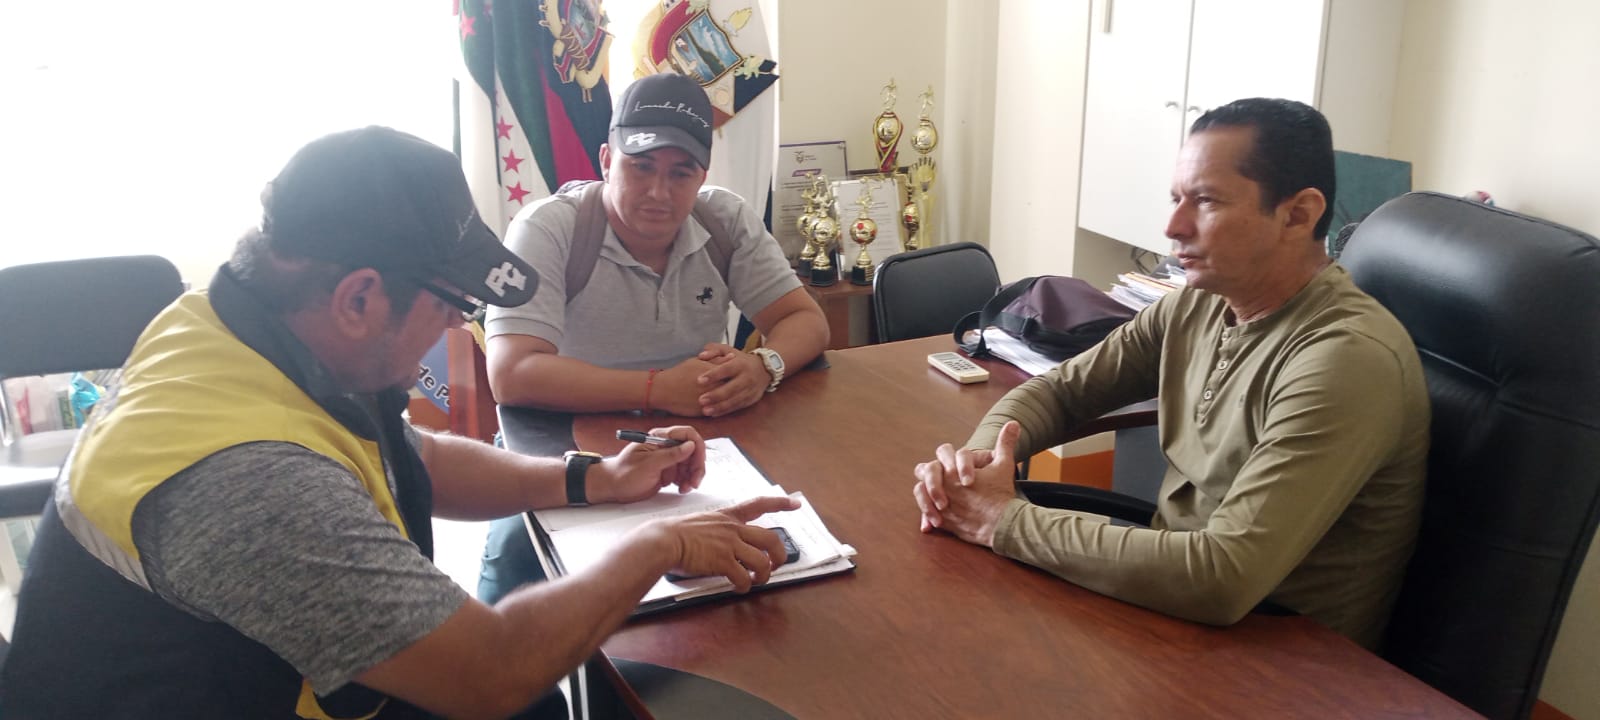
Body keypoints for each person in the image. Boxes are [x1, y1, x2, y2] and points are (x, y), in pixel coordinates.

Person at [0, 126, 799, 719]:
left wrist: (594, 478)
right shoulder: (255, 484)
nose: (458, 327)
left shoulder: (230, 320)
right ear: (359, 298)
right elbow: (490, 672)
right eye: (452, 305)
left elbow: (411, 455)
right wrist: (658, 544)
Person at [911, 98, 1429, 650]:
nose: (1173, 226)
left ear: (1298, 214)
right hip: (1171, 610)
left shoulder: (1344, 359)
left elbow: (1222, 576)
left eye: (1205, 201)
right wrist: (979, 465)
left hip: (1281, 656)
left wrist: (1002, 521)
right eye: (1176, 198)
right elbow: (1060, 393)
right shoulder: (1200, 302)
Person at [477, 73, 828, 604]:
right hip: (563, 441)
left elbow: (806, 320)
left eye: (680, 173)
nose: (659, 192)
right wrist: (657, 388)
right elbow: (511, 374)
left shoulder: (724, 219)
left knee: (768, 571)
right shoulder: (549, 228)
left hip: (700, 443)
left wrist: (764, 366)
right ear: (605, 160)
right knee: (514, 573)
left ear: (702, 174)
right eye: (640, 166)